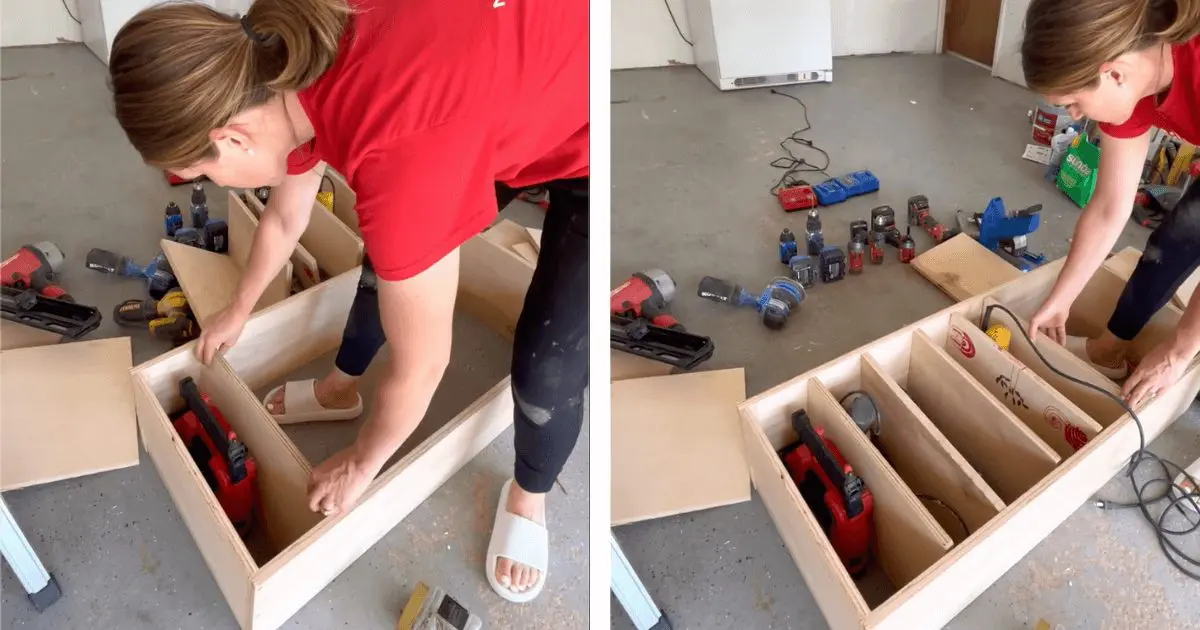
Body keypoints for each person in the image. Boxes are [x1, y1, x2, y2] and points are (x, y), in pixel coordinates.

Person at [107, 0, 588, 603]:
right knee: (390, 263)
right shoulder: (279, 49)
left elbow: (424, 366)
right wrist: (239, 307)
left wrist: (363, 462)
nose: (209, 185)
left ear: (230, 137)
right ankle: (341, 387)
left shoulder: (402, 159)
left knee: (547, 372)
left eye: (201, 173)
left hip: (582, 126)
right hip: (492, 91)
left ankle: (529, 492)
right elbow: (285, 216)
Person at [1021, 0, 1200, 410]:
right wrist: (1061, 298)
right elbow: (1109, 205)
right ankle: (1110, 348)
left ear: (1114, 73)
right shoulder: (1131, 82)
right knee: (1176, 238)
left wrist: (1179, 352)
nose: (1073, 115)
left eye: (1073, 103)